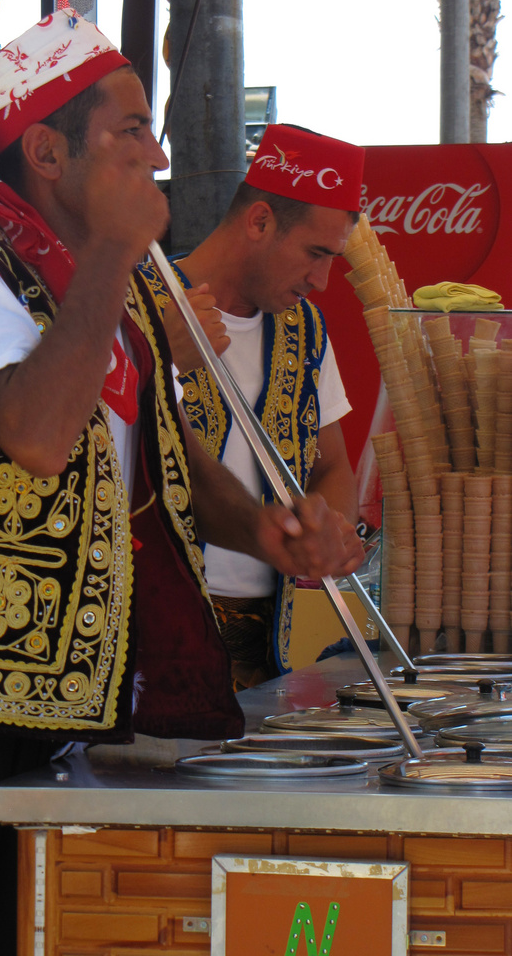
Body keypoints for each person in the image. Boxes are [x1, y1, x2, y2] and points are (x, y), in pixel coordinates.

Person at [0, 12, 363, 956]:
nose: (157, 156)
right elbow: (40, 435)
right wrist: (118, 256)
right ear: (46, 150)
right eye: (130, 132)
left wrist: (266, 531)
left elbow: (161, 462)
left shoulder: (94, 296)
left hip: (81, 721)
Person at [138, 123, 362, 689]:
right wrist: (159, 356)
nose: (323, 279)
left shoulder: (306, 329)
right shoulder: (136, 303)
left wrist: (327, 530)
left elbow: (331, 464)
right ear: (259, 221)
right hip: (146, 640)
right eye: (315, 253)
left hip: (266, 654)